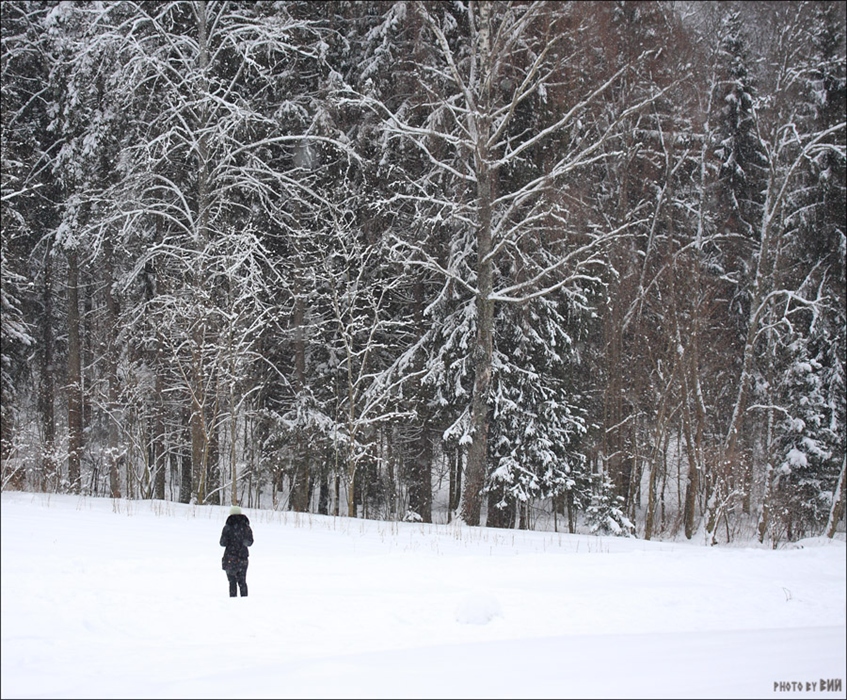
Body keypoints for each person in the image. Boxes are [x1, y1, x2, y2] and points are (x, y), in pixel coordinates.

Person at [220, 505, 253, 597]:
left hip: (230, 557)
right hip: (243, 558)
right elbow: (250, 542)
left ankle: (233, 600)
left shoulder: (227, 527)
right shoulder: (246, 527)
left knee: (232, 582)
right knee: (242, 581)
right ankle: (244, 600)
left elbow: (222, 543)